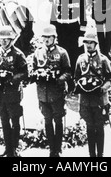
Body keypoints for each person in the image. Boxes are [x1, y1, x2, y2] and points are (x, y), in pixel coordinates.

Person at [32, 25, 72, 157]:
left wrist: (58, 79)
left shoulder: (61, 53)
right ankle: (51, 149)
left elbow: (68, 72)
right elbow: (32, 70)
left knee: (58, 120)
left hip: (57, 93)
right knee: (47, 120)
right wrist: (38, 75)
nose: (46, 39)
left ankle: (58, 148)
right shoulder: (38, 52)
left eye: (49, 37)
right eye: (44, 37)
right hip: (43, 94)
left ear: (54, 37)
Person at [0, 26, 28, 157]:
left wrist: (11, 79)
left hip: (13, 94)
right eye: (1, 40)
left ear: (12, 40)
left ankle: (15, 148)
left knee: (15, 121)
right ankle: (7, 149)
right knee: (4, 121)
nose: (4, 42)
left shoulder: (18, 54)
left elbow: (25, 72)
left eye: (7, 40)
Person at [74, 30, 111, 158]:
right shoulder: (80, 59)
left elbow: (109, 80)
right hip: (85, 101)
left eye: (91, 43)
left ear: (96, 44)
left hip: (100, 100)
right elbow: (76, 77)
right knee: (90, 127)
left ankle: (100, 155)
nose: (88, 45)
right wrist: (81, 85)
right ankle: (91, 155)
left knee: (99, 127)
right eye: (86, 42)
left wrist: (103, 88)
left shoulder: (103, 59)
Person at [51, 0, 86, 71]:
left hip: (72, 28)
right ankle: (62, 72)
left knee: (73, 51)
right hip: (60, 28)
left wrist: (81, 35)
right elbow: (53, 18)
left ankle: (73, 73)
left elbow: (83, 18)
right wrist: (52, 33)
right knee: (60, 50)